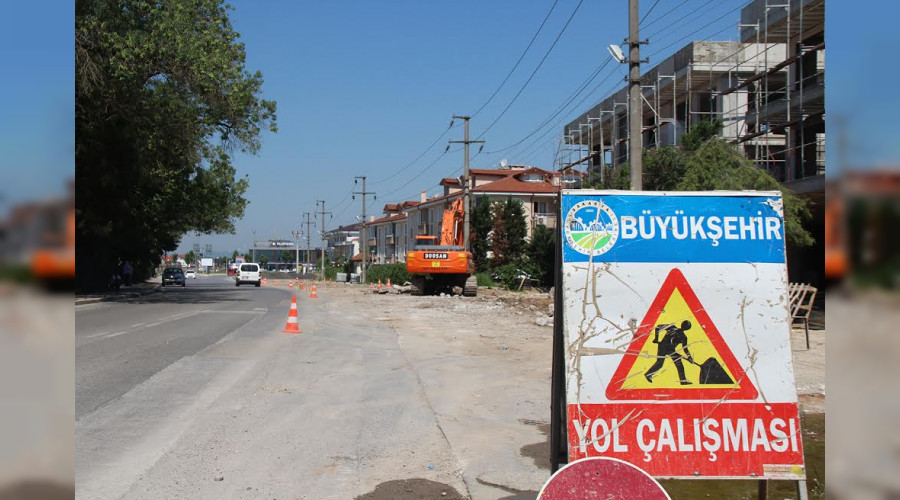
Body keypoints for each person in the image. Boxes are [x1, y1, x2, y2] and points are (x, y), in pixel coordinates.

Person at [644, 320, 695, 386]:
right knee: (660, 363)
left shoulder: (676, 331)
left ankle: (683, 381)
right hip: (663, 347)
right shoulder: (680, 334)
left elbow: (658, 327)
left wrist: (656, 338)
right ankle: (648, 375)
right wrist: (689, 357)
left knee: (678, 364)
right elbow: (685, 349)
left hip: (670, 349)